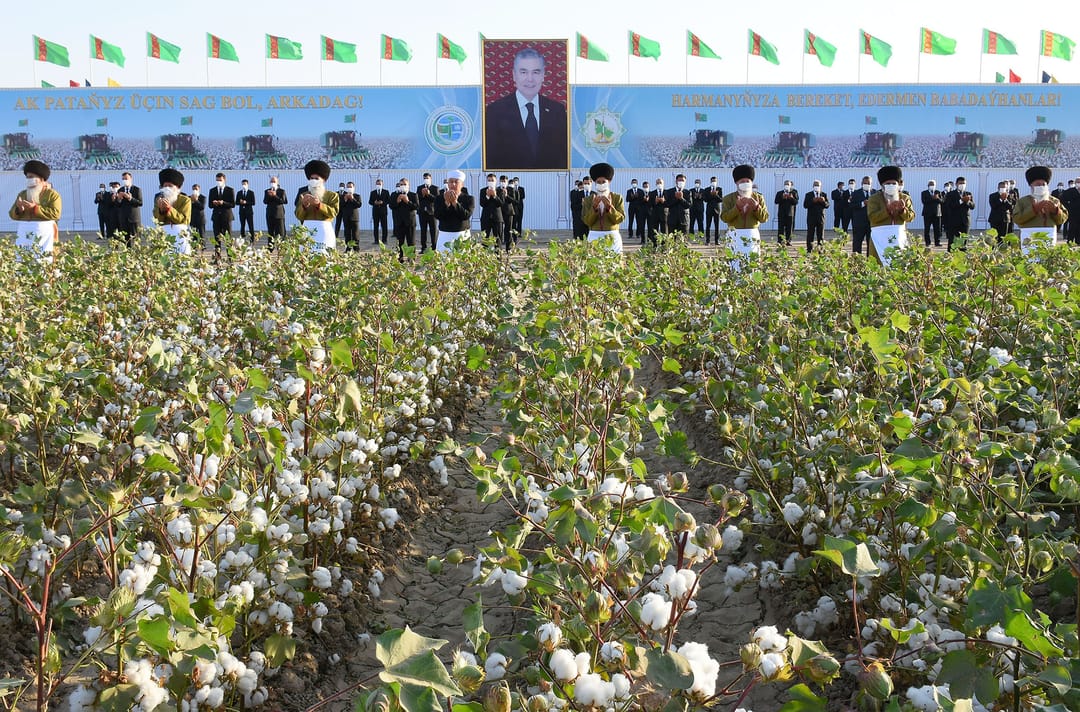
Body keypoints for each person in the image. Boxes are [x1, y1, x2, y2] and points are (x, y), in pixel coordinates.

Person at [484, 47, 568, 170]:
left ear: (543, 75)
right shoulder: (495, 111)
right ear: (514, 75)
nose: (530, 79)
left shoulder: (557, 111)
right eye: (523, 72)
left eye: (536, 72)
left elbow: (563, 155)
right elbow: (490, 157)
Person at [9, 159, 61, 260]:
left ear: (41, 179)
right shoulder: (22, 194)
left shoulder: (52, 195)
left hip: (45, 234)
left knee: (45, 260)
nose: (29, 180)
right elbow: (12, 214)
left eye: (32, 177)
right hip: (25, 233)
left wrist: (35, 208)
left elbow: (56, 214)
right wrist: (19, 210)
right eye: (27, 177)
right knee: (23, 259)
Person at [866, 165, 915, 266]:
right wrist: (887, 210)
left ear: (898, 184)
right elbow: (872, 217)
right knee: (879, 266)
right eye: (888, 184)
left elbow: (911, 217)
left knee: (900, 265)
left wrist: (902, 210)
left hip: (899, 237)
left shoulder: (905, 198)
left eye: (894, 183)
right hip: (879, 238)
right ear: (882, 185)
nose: (891, 185)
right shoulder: (874, 198)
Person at [1013, 165, 1068, 252]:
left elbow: (1063, 219)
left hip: (1049, 237)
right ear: (1031, 186)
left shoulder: (1054, 201)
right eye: (1038, 184)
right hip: (1029, 238)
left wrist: (1055, 210)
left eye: (1043, 184)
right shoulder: (1022, 201)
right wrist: (1034, 209)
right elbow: (1017, 219)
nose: (1041, 186)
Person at [721, 164, 769, 259]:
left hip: (752, 235)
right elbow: (724, 218)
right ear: (736, 183)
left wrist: (756, 207)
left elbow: (764, 218)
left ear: (751, 183)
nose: (745, 183)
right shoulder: (728, 198)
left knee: (752, 263)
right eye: (742, 181)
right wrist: (737, 208)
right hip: (734, 235)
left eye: (748, 181)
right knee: (734, 262)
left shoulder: (758, 198)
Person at [293, 159, 340, 252]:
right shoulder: (304, 195)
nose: (313, 181)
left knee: (324, 255)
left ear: (324, 180)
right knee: (306, 256)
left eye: (316, 178)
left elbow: (333, 213)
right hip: (307, 230)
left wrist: (319, 205)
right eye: (311, 178)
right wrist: (304, 206)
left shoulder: (332, 195)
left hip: (324, 231)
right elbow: (298, 215)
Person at [581, 162, 624, 252]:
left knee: (614, 260)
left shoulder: (617, 198)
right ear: (595, 183)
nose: (601, 184)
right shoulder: (588, 200)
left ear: (609, 182)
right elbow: (587, 221)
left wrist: (609, 207)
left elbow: (619, 219)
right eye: (598, 182)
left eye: (603, 182)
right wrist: (594, 208)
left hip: (612, 236)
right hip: (594, 236)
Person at [152, 167, 192, 254]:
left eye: (170, 186)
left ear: (177, 188)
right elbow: (157, 220)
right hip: (164, 235)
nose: (167, 188)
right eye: (165, 186)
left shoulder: (185, 200)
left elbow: (184, 219)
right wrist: (161, 210)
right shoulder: (158, 199)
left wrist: (169, 209)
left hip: (180, 235)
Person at [434, 169, 474, 252]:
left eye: (456, 182)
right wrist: (446, 203)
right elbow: (438, 215)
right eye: (451, 182)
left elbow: (466, 216)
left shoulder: (469, 198)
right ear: (448, 183)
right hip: (445, 235)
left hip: (462, 235)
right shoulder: (439, 198)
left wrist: (455, 203)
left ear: (462, 184)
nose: (453, 184)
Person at [943, 176, 975, 251]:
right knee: (952, 242)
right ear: (956, 184)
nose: (962, 185)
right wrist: (961, 201)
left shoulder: (968, 194)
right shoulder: (950, 194)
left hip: (965, 222)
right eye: (960, 183)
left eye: (964, 183)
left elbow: (973, 206)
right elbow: (949, 206)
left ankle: (963, 256)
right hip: (954, 222)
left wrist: (968, 201)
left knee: (964, 242)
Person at [391, 178, 419, 259]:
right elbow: (391, 206)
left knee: (411, 242)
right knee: (400, 242)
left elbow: (416, 207)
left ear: (408, 185)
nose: (403, 186)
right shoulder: (394, 195)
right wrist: (397, 201)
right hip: (399, 222)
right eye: (401, 184)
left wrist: (407, 201)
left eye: (405, 184)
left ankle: (411, 259)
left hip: (410, 222)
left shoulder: (413, 195)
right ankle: (400, 258)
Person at [208, 173, 235, 258]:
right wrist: (214, 203)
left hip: (227, 217)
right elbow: (210, 205)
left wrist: (223, 203)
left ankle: (230, 258)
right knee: (217, 238)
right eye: (217, 180)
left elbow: (232, 204)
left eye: (220, 180)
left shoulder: (230, 190)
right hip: (216, 217)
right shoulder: (212, 190)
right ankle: (217, 258)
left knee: (228, 238)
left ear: (224, 180)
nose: (218, 182)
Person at [114, 171, 143, 246]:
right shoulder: (120, 190)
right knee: (125, 240)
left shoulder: (137, 189)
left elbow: (140, 203)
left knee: (136, 239)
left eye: (126, 178)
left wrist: (130, 198)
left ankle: (137, 252)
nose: (125, 180)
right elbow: (117, 205)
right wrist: (119, 199)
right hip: (123, 218)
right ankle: (127, 252)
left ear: (131, 178)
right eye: (123, 179)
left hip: (134, 218)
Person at [849, 176, 874, 256]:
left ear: (871, 184)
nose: (866, 184)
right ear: (861, 183)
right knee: (857, 243)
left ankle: (870, 260)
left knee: (871, 244)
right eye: (865, 183)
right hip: (859, 223)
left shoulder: (875, 193)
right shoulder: (855, 193)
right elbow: (851, 206)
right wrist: (862, 203)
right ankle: (857, 260)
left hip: (871, 223)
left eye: (868, 183)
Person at [803, 180, 830, 253]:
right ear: (813, 186)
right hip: (811, 218)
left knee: (820, 235)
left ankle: (820, 250)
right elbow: (805, 205)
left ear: (820, 186)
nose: (816, 187)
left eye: (818, 185)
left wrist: (823, 201)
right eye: (815, 185)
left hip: (821, 217)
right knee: (810, 234)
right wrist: (812, 201)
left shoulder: (824, 194)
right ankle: (809, 250)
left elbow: (827, 205)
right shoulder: (808, 195)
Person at [480, 173, 506, 245]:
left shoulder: (500, 191)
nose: (490, 182)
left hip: (497, 218)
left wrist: (495, 196)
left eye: (492, 180)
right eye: (489, 180)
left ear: (496, 181)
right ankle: (484, 252)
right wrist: (487, 196)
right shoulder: (483, 191)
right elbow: (482, 204)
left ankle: (498, 252)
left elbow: (501, 204)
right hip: (486, 218)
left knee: (498, 239)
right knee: (485, 239)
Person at [417, 172, 439, 252]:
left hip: (432, 213)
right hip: (422, 212)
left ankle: (434, 247)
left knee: (433, 231)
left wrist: (429, 194)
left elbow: (437, 200)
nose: (426, 180)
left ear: (430, 179)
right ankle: (423, 248)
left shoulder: (435, 188)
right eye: (424, 178)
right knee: (423, 231)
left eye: (427, 178)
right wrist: (423, 195)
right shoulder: (420, 188)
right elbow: (417, 199)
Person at [263, 176, 287, 249]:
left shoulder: (282, 191)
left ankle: (280, 248)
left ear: (277, 182)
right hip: (270, 214)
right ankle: (270, 248)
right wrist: (269, 195)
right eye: (271, 181)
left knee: (280, 232)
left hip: (279, 215)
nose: (272, 183)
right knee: (270, 232)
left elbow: (284, 201)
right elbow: (265, 201)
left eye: (274, 181)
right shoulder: (267, 191)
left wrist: (275, 195)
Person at [339, 181, 363, 251]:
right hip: (346, 217)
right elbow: (340, 205)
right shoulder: (343, 196)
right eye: (348, 187)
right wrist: (345, 199)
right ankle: (348, 248)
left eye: (350, 187)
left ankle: (356, 248)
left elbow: (359, 205)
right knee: (347, 234)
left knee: (355, 234)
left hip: (354, 218)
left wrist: (352, 199)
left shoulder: (357, 196)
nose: (349, 188)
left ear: (353, 187)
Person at [774, 180, 798, 246]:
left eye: (788, 184)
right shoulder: (779, 193)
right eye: (785, 184)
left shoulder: (794, 193)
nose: (787, 185)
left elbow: (796, 202)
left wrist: (791, 198)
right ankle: (780, 241)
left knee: (789, 228)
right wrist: (782, 198)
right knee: (780, 228)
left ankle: (788, 241)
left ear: (790, 185)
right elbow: (776, 201)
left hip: (790, 214)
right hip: (781, 213)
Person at [920, 179, 943, 247]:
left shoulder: (938, 192)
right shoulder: (924, 192)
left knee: (937, 229)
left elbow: (942, 201)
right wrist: (932, 198)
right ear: (928, 185)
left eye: (933, 184)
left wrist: (937, 198)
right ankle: (928, 242)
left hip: (937, 213)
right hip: (927, 214)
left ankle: (937, 242)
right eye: (930, 184)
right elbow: (924, 201)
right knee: (927, 229)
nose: (932, 186)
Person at [368, 179, 390, 245]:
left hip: (383, 212)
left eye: (379, 184)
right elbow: (370, 201)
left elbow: (389, 201)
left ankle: (384, 240)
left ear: (382, 184)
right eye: (377, 184)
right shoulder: (373, 192)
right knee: (375, 226)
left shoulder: (386, 192)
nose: (378, 185)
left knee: (384, 226)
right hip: (375, 212)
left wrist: (382, 202)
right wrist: (374, 203)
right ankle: (376, 240)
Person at [1059, 177, 1080, 245]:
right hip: (1073, 213)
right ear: (1075, 183)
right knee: (1072, 227)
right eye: (1077, 182)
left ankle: (1078, 241)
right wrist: (1068, 207)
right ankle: (1070, 241)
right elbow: (1062, 200)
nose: (1078, 183)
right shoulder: (1070, 191)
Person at [647, 178, 667, 246]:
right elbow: (649, 204)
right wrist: (655, 202)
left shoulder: (667, 192)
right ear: (656, 184)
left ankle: (664, 246)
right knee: (654, 231)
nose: (659, 184)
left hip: (664, 215)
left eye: (660, 183)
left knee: (664, 231)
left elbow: (670, 203)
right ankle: (654, 246)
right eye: (658, 183)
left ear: (663, 184)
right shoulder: (652, 193)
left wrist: (664, 201)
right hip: (655, 215)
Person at [704, 177, 724, 245]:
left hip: (717, 210)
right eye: (712, 181)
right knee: (708, 226)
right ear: (710, 182)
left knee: (717, 226)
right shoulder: (707, 189)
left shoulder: (719, 189)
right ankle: (707, 241)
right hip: (709, 209)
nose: (714, 182)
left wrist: (716, 195)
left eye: (715, 181)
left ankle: (717, 241)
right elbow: (705, 200)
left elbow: (721, 200)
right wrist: (711, 195)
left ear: (717, 182)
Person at [500, 175, 517, 248]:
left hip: (509, 212)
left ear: (507, 182)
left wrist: (506, 195)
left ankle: (508, 248)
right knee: (499, 230)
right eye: (502, 181)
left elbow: (514, 200)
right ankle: (499, 248)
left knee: (508, 230)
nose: (503, 182)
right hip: (500, 212)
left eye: (504, 181)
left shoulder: (511, 189)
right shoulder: (497, 189)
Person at [626, 178, 645, 243]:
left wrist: (637, 196)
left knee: (639, 221)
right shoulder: (629, 191)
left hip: (639, 208)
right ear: (631, 183)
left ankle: (638, 234)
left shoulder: (640, 191)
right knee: (630, 221)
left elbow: (643, 200)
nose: (634, 184)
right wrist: (632, 197)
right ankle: (630, 234)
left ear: (637, 183)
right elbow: (627, 199)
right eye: (633, 182)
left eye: (635, 182)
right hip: (631, 208)